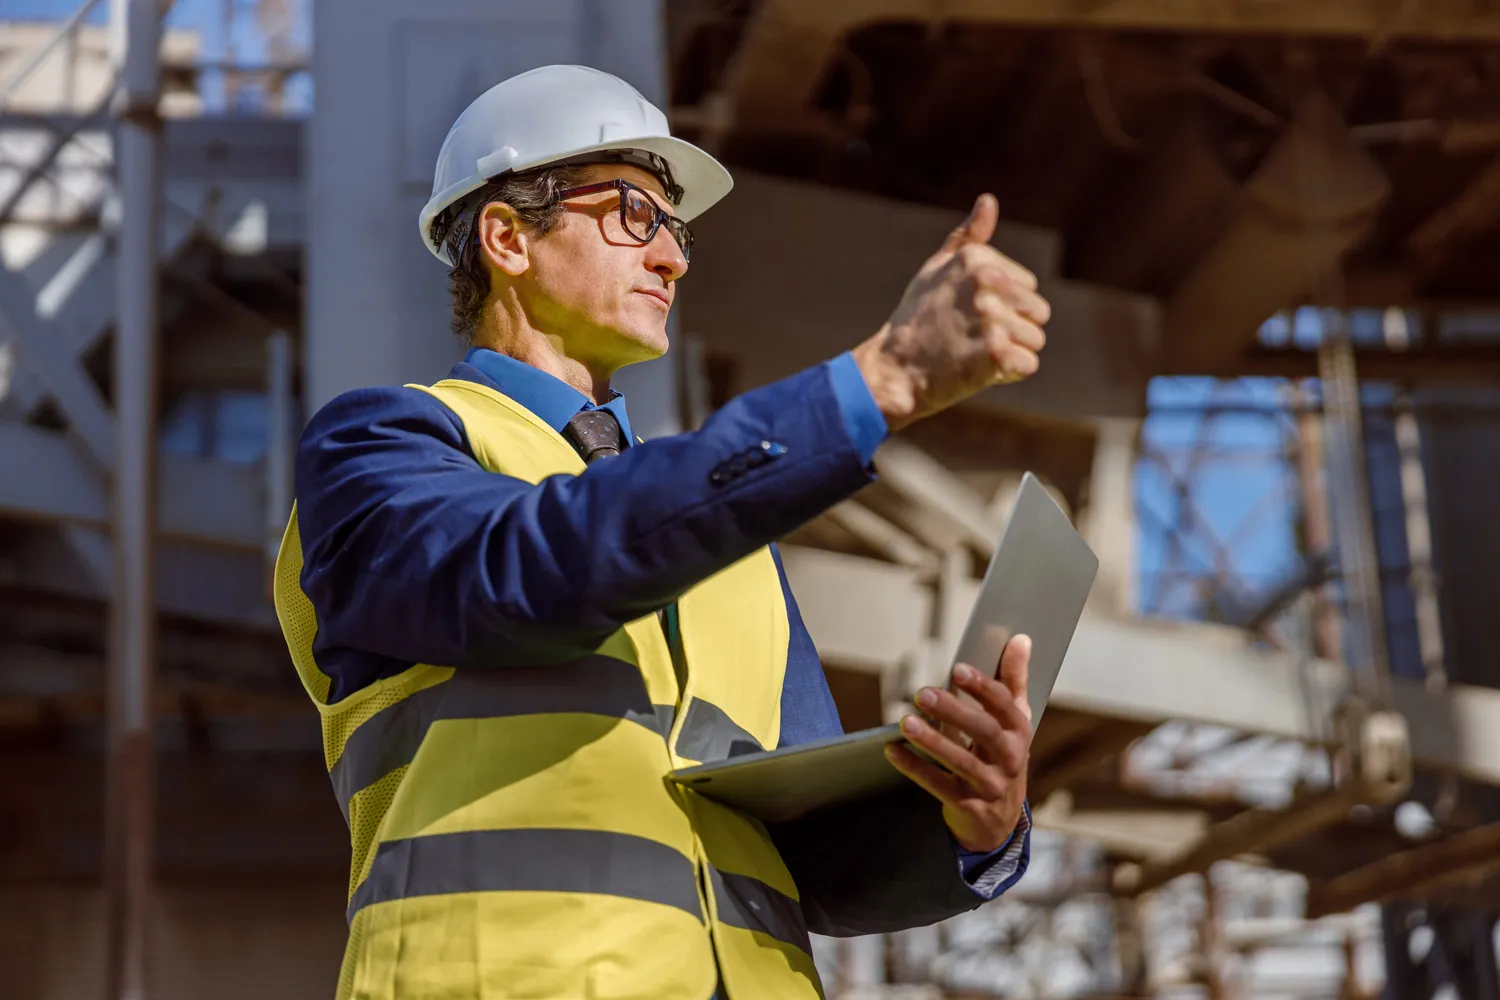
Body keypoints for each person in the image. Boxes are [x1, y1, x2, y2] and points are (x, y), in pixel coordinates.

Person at [273, 64, 1052, 1000]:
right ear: (507, 236)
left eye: (674, 228)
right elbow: (523, 573)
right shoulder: (383, 446)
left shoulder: (727, 542)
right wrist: (871, 387)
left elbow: (808, 859)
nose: (674, 258)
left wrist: (975, 823)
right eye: (635, 215)